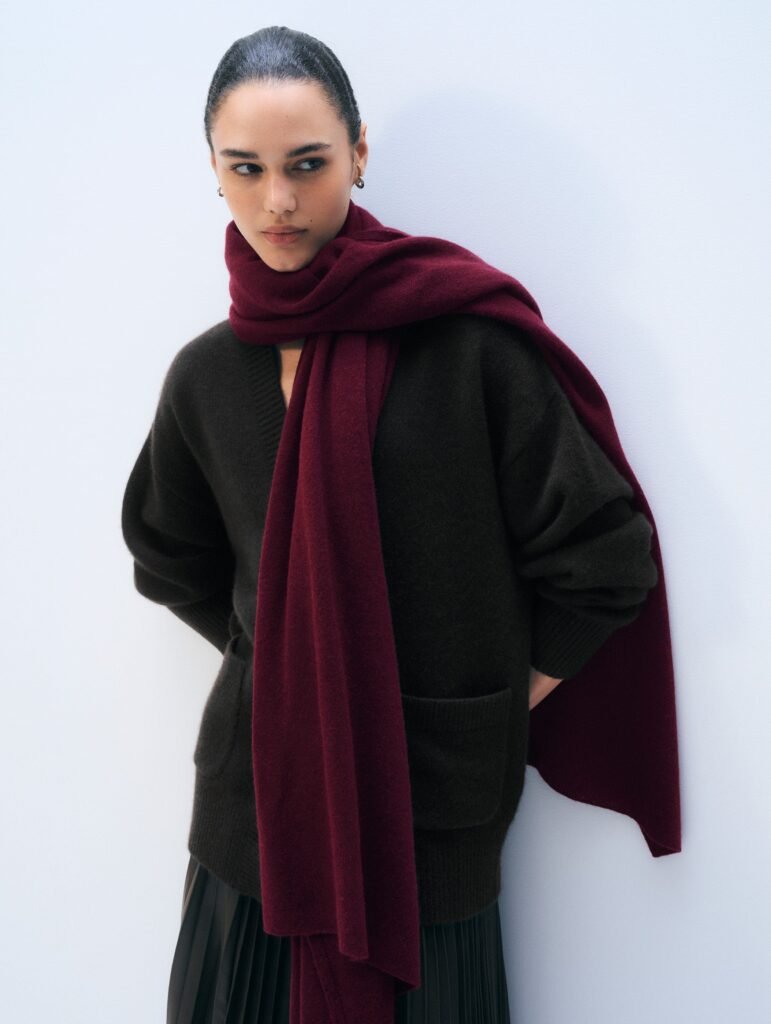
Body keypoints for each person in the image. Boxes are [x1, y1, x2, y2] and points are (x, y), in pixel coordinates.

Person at [121, 24, 679, 1024]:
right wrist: (291, 658)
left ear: (359, 153)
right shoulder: (207, 375)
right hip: (255, 818)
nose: (277, 201)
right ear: (214, 171)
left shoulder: (468, 349)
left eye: (307, 164)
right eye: (246, 169)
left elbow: (605, 560)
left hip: (429, 813)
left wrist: (498, 697)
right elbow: (169, 555)